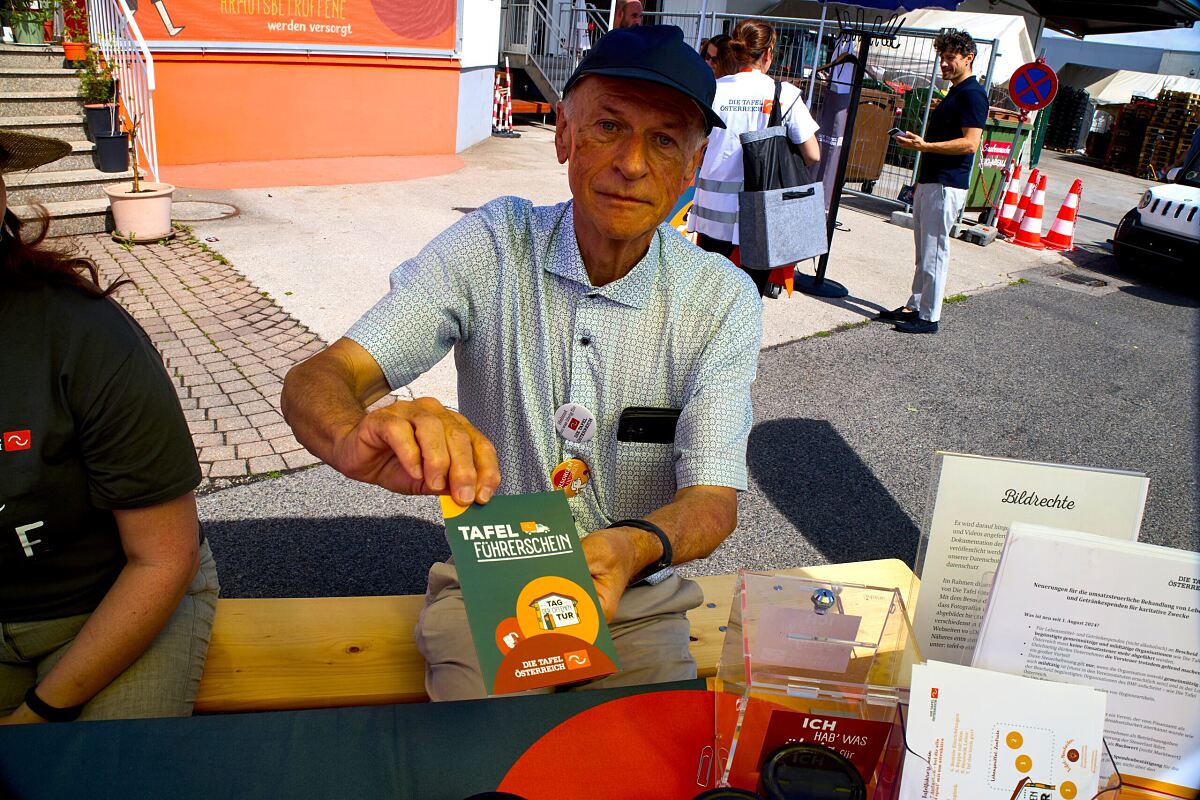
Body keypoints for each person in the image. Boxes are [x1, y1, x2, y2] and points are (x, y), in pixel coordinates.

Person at [281, 25, 762, 702]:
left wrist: (630, 547)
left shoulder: (719, 299)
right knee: (489, 761)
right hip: (494, 577)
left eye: (663, 139)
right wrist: (348, 433)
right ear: (564, 134)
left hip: (636, 599)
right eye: (607, 126)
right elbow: (320, 379)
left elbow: (711, 501)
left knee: (649, 764)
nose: (630, 162)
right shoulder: (496, 243)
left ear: (693, 164)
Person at [0, 130, 219, 724]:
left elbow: (161, 558)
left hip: (106, 605)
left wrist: (41, 713)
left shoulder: (86, 337)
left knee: (103, 773)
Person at [687, 19, 820, 298]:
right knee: (748, 297)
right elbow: (812, 153)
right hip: (761, 213)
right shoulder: (784, 94)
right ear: (768, 53)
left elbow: (695, 145)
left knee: (709, 293)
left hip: (713, 212)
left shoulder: (712, 90)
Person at [878, 29, 987, 335]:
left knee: (935, 250)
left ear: (969, 58)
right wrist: (919, 145)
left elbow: (969, 144)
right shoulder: (956, 92)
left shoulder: (973, 96)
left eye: (951, 58)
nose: (944, 64)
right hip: (932, 180)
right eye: (942, 57)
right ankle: (915, 306)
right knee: (923, 250)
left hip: (946, 182)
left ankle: (930, 317)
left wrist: (925, 146)